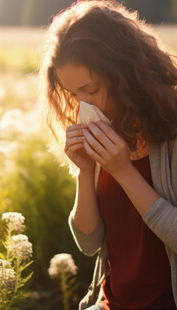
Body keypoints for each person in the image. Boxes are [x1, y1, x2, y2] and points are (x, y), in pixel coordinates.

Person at [37, 0, 177, 309]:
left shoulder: (172, 129)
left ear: (126, 73)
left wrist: (124, 172)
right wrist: (86, 172)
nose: (83, 105)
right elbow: (89, 244)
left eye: (90, 89)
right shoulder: (107, 131)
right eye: (74, 94)